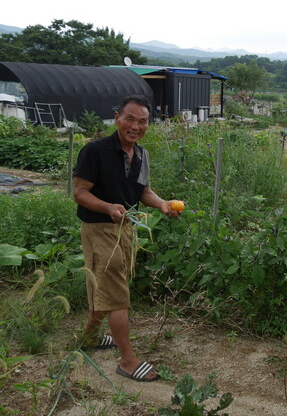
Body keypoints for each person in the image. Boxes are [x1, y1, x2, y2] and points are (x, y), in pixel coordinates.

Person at [73, 95, 182, 382]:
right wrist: (107, 207)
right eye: (130, 119)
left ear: (148, 124)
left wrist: (161, 204)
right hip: (99, 229)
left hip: (126, 229)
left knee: (106, 285)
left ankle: (91, 337)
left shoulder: (141, 154)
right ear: (117, 118)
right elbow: (80, 192)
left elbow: (143, 191)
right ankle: (127, 360)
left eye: (142, 121)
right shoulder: (94, 151)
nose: (136, 126)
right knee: (117, 293)